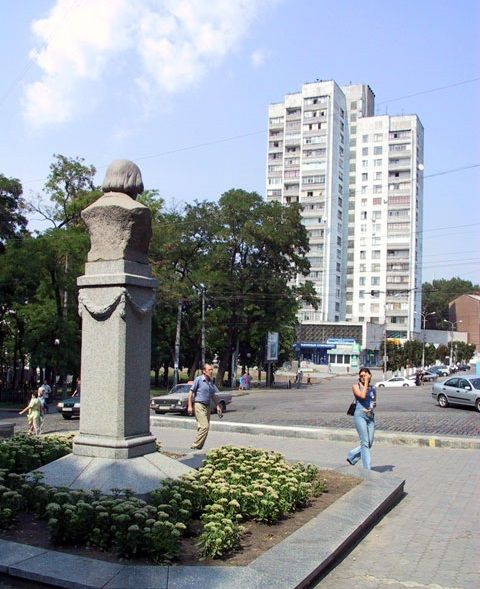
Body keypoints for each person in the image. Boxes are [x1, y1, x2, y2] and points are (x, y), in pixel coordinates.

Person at [346, 367, 376, 470]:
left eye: (365, 375)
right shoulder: (356, 386)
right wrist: (366, 382)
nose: (363, 378)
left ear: (370, 375)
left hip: (370, 416)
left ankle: (352, 456)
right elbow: (362, 396)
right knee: (364, 442)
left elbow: (373, 401)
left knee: (369, 442)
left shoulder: (373, 388)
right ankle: (367, 469)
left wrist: (372, 407)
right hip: (359, 415)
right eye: (361, 376)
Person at [187, 364, 222, 450]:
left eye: (212, 370)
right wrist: (190, 406)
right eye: (209, 370)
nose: (211, 371)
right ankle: (195, 445)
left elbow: (213, 395)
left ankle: (198, 447)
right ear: (204, 371)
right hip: (199, 404)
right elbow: (190, 394)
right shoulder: (198, 380)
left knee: (203, 427)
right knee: (204, 426)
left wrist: (217, 405)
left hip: (207, 406)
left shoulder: (210, 381)